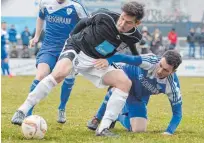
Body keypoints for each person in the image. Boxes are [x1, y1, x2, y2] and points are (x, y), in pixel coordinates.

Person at [11, 1, 144, 137]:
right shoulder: (104, 15)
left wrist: (138, 67)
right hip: (77, 48)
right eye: (122, 18)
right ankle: (22, 110)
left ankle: (103, 128)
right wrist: (70, 39)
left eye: (128, 22)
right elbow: (83, 23)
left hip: (96, 62)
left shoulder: (135, 37)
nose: (122, 23)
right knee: (60, 73)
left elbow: (133, 52)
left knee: (124, 83)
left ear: (136, 23)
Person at [16, 0, 88, 123]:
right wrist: (36, 36)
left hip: (68, 48)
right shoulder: (44, 3)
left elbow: (88, 24)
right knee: (40, 75)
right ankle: (27, 113)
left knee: (69, 78)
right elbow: (40, 18)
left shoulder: (76, 7)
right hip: (48, 47)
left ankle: (62, 108)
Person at [88, 50, 182, 135]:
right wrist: (108, 60)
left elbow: (177, 113)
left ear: (173, 71)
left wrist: (169, 131)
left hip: (139, 96)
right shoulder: (150, 61)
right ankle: (98, 117)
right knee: (121, 85)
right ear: (161, 59)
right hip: (125, 80)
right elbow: (124, 58)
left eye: (166, 70)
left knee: (139, 129)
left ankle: (117, 115)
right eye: (161, 65)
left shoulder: (172, 86)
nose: (160, 71)